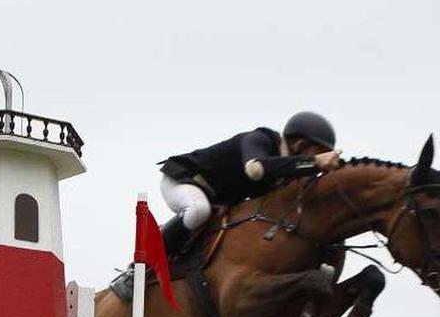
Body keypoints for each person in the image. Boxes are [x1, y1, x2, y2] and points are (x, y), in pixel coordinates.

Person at [110, 111, 342, 299]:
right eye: (318, 153)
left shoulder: (286, 175)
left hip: (217, 201)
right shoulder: (260, 139)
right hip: (184, 181)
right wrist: (313, 162)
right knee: (198, 210)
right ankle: (138, 269)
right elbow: (255, 169)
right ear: (299, 145)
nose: (318, 163)